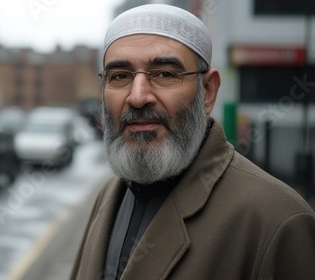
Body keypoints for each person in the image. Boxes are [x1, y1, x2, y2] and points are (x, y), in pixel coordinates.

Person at [70, 4, 315, 280]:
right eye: (120, 76)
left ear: (208, 91)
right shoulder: (109, 196)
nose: (137, 97)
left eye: (164, 74)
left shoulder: (276, 220)